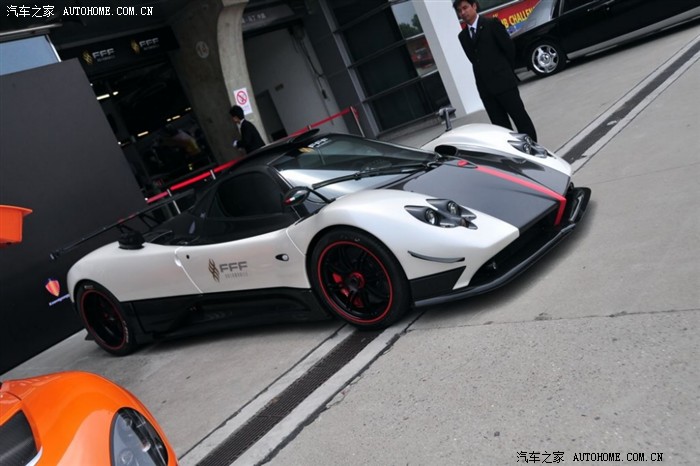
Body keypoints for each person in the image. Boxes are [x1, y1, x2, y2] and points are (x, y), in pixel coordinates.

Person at [453, 0, 537, 141]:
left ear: (474, 6)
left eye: (465, 7)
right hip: (486, 89)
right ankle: (511, 152)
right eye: (459, 11)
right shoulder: (463, 37)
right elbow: (474, 60)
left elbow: (509, 49)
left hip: (504, 83)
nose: (463, 12)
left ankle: (533, 147)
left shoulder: (492, 24)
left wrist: (504, 72)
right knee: (500, 128)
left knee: (520, 118)